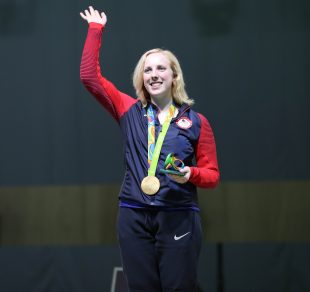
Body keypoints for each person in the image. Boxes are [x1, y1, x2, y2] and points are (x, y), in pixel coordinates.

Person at [79, 6, 220, 292]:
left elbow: (212, 175)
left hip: (178, 215)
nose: (153, 74)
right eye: (147, 69)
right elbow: (89, 78)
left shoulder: (196, 122)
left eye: (160, 68)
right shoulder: (127, 110)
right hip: (133, 215)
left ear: (174, 76)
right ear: (141, 78)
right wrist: (95, 29)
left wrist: (189, 173)